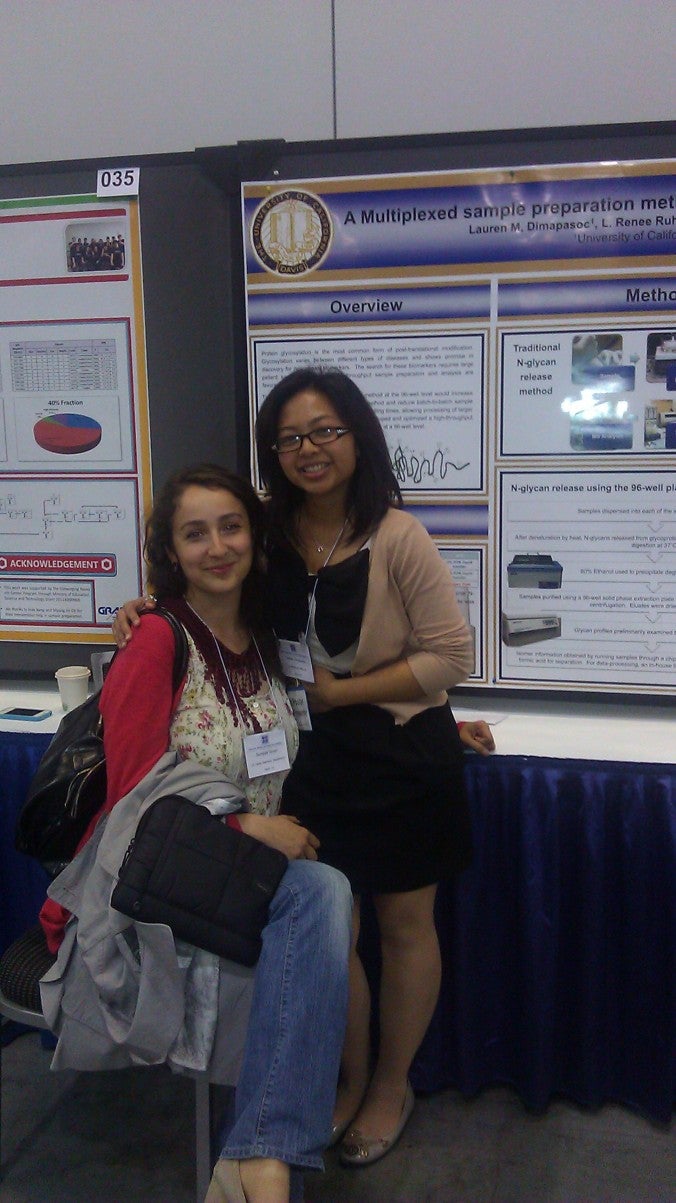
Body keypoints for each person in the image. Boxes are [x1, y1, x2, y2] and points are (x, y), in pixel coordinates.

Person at [114, 371, 491, 1169]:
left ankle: (390, 1085)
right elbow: (206, 580)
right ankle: (344, 1077)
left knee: (404, 927)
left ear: (357, 436)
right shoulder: (268, 531)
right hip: (308, 761)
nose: (308, 449)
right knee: (331, 929)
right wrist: (142, 606)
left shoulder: (398, 535)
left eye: (325, 430)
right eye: (289, 438)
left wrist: (346, 693)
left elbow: (451, 656)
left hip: (401, 755)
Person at [40, 463, 352, 1203]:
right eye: (195, 533)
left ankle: (254, 1161)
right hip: (148, 880)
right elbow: (131, 802)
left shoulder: (266, 637)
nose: (217, 546)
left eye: (231, 526)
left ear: (255, 537)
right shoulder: (156, 639)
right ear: (171, 552)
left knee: (325, 898)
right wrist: (248, 825)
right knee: (320, 893)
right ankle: (264, 1160)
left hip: (230, 874)